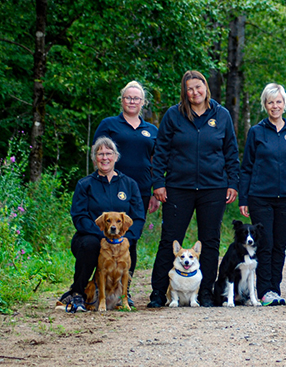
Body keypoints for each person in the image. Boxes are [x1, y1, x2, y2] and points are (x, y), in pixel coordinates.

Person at [147, 71, 240, 308]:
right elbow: (160, 152)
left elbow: (231, 151)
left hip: (213, 188)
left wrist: (233, 182)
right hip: (179, 187)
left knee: (210, 241)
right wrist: (158, 182)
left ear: (206, 88)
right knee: (170, 239)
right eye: (189, 89)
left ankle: (205, 293)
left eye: (198, 87)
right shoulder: (173, 115)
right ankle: (158, 293)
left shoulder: (221, 115)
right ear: (184, 91)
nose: (194, 93)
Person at [238, 83, 286, 306]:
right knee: (265, 244)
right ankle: (264, 290)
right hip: (260, 197)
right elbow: (247, 166)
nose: (274, 106)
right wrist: (244, 198)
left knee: (280, 245)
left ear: (284, 104)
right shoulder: (257, 132)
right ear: (265, 105)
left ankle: (274, 290)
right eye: (270, 102)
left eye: (278, 101)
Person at [92, 80, 160, 306]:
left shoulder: (151, 131)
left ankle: (124, 292)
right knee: (102, 240)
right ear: (121, 100)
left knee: (131, 241)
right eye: (128, 97)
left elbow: (156, 162)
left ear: (143, 102)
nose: (132, 101)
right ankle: (96, 291)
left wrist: (153, 191)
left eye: (137, 98)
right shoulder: (109, 124)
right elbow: (99, 155)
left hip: (139, 191)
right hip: (112, 190)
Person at [60, 137, 145, 313]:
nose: (105, 158)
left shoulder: (129, 184)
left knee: (130, 242)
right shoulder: (85, 184)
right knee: (91, 244)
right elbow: (79, 217)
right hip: (90, 236)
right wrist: (103, 237)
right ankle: (78, 292)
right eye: (100, 154)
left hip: (121, 237)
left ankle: (123, 293)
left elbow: (138, 217)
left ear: (116, 157)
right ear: (94, 158)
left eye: (108, 153)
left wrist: (124, 238)